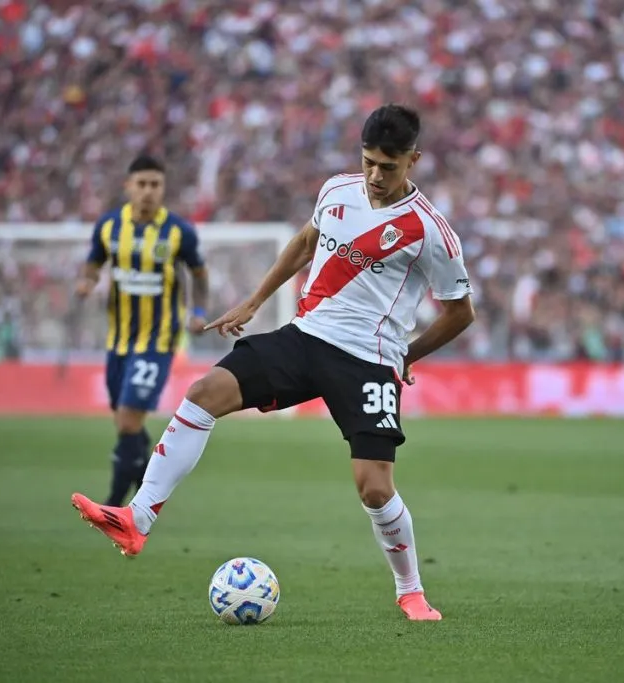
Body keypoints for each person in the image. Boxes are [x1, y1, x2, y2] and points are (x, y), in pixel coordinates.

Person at [71, 104, 475, 621]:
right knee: (203, 394)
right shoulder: (337, 191)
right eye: (369, 162)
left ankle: (410, 590)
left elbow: (461, 312)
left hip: (369, 361)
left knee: (375, 489)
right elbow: (306, 243)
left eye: (388, 167)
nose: (376, 176)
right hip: (306, 337)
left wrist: (406, 355)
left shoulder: (430, 231)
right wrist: (255, 301)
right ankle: (137, 519)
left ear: (413, 160)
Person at [75, 155, 209, 507]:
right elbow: (93, 261)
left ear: (163, 188)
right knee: (127, 423)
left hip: (158, 341)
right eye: (142, 184)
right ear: (129, 186)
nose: (149, 191)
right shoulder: (108, 226)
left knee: (128, 419)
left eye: (155, 185)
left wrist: (197, 312)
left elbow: (199, 274)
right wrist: (87, 281)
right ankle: (147, 490)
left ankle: (115, 504)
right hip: (118, 341)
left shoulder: (178, 231)